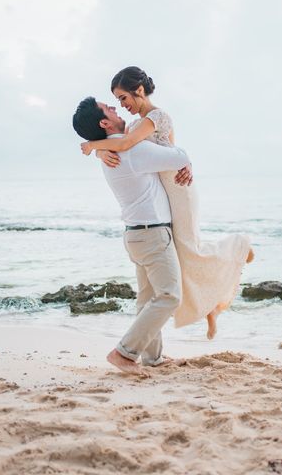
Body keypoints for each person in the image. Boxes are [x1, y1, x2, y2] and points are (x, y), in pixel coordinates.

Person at [81, 66, 254, 339]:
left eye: (123, 98)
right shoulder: (135, 126)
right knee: (184, 256)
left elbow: (127, 145)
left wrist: (93, 146)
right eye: (116, 102)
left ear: (139, 91)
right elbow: (127, 147)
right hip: (165, 189)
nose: (121, 106)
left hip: (178, 188)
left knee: (189, 247)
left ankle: (238, 247)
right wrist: (100, 151)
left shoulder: (155, 117)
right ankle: (209, 309)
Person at [72, 96, 191, 376]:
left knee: (147, 298)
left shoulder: (115, 152)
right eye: (109, 108)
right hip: (152, 235)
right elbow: (181, 156)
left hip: (138, 235)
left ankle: (153, 358)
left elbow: (124, 144)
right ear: (104, 122)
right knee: (170, 296)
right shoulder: (133, 152)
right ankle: (124, 352)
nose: (115, 108)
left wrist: (96, 147)